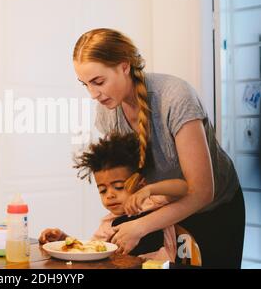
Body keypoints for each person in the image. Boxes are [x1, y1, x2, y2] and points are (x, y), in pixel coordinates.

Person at [71, 28, 245, 268]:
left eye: (98, 82)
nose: (93, 94)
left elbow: (202, 191)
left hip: (214, 210)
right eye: (85, 84)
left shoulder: (175, 97)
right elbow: (128, 177)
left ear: (124, 66)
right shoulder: (108, 111)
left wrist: (141, 225)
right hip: (163, 211)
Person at [39, 133, 188, 262]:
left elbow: (184, 188)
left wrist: (150, 189)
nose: (110, 195)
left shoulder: (152, 202)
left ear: (140, 184)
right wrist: (64, 239)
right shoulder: (108, 224)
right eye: (102, 190)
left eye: (118, 187)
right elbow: (90, 249)